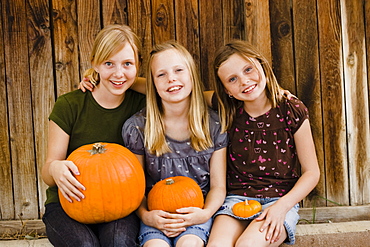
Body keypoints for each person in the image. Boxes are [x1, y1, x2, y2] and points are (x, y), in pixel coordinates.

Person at [206, 40, 320, 247]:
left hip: (280, 200)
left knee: (247, 245)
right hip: (236, 198)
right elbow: (187, 92)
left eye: (248, 69)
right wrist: (134, 81)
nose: (244, 81)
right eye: (232, 79)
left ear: (263, 66)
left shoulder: (291, 110)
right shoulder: (228, 108)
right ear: (226, 90)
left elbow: (312, 172)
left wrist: (282, 207)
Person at [41, 24, 146, 247]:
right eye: (109, 63)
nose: (118, 73)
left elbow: (167, 85)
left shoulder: (143, 104)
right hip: (68, 202)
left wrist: (126, 79)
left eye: (128, 64)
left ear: (138, 66)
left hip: (121, 203)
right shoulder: (70, 105)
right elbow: (48, 171)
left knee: (118, 242)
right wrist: (55, 168)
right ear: (95, 63)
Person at [121, 40, 227, 247]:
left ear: (192, 75)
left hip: (197, 212)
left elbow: (218, 186)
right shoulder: (138, 128)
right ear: (152, 83)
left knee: (189, 244)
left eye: (179, 70)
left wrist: (204, 214)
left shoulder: (214, 125)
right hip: (155, 215)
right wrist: (146, 216)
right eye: (161, 74)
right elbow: (135, 188)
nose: (171, 79)